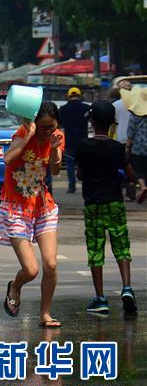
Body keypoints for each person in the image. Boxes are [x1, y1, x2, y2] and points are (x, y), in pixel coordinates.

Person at [0, 102, 65, 328]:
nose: (48, 132)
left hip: (42, 206)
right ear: (35, 123)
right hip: (16, 208)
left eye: (52, 127)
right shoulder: (24, 133)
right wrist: (30, 136)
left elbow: (55, 170)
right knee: (31, 270)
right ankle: (15, 286)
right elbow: (8, 159)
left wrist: (55, 148)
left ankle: (45, 314)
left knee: (51, 264)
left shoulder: (56, 137)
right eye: (43, 127)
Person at [76, 101, 143, 316]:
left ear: (92, 122)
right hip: (115, 203)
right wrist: (129, 178)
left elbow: (80, 175)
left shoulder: (84, 147)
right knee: (121, 246)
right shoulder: (116, 147)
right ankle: (127, 288)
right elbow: (130, 174)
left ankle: (101, 298)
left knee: (96, 251)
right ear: (112, 124)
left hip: (93, 205)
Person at [59, 87, 90, 193]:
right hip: (83, 140)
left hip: (69, 140)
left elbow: (60, 124)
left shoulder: (63, 109)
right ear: (80, 95)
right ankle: (86, 184)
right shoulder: (86, 108)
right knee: (84, 163)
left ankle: (71, 186)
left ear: (68, 96)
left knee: (70, 164)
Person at [123, 85, 147, 193]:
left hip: (138, 146)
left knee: (138, 170)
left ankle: (142, 186)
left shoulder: (136, 114)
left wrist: (127, 147)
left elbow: (131, 131)